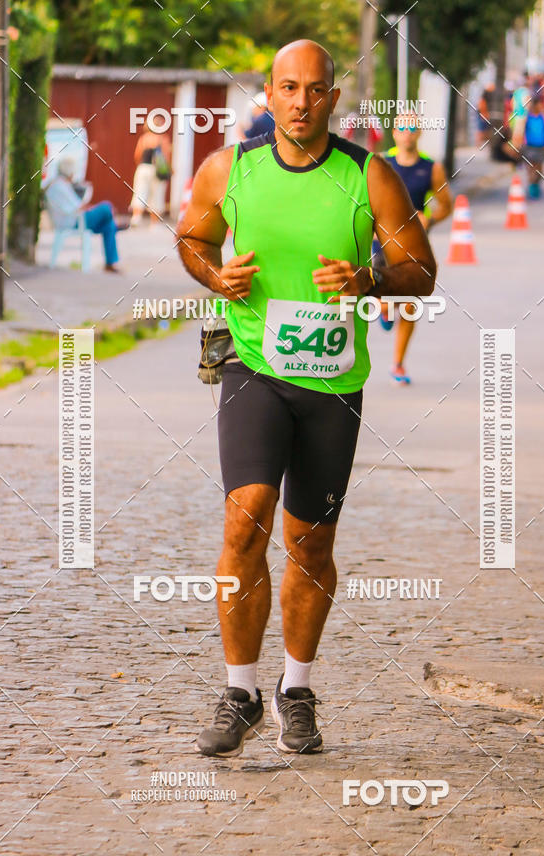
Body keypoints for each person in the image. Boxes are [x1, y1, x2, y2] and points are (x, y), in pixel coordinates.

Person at [177, 39, 436, 758]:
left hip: (332, 385)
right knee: (245, 519)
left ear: (332, 97)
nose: (300, 101)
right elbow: (193, 238)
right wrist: (214, 277)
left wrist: (370, 281)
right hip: (252, 368)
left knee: (310, 542)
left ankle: (296, 689)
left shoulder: (370, 177)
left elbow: (422, 269)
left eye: (314, 89)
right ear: (269, 92)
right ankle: (239, 692)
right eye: (286, 88)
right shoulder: (231, 168)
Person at [371, 114, 452, 385]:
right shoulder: (382, 163)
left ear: (419, 133)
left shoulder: (431, 168)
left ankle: (398, 364)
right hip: (379, 243)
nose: (406, 133)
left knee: (411, 303)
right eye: (402, 128)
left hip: (413, 244)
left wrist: (430, 218)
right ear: (394, 133)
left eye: (412, 128)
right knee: (371, 292)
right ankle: (383, 306)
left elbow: (445, 205)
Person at [45, 157, 122, 272]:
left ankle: (110, 264)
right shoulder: (60, 185)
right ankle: (117, 223)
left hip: (75, 218)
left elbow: (75, 206)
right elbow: (77, 207)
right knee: (106, 206)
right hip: (74, 221)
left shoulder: (59, 184)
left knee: (109, 226)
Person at [130, 123, 171, 226]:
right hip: (156, 170)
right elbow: (166, 156)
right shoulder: (163, 139)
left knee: (140, 193)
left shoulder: (143, 138)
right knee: (157, 195)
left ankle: (136, 218)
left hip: (143, 168)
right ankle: (154, 224)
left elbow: (137, 155)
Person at [523, 96, 544, 199]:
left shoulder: (543, 117)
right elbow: (521, 132)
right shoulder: (527, 118)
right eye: (539, 104)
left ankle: (535, 185)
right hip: (530, 147)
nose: (540, 106)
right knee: (531, 169)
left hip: (541, 147)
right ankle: (532, 189)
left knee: (540, 170)